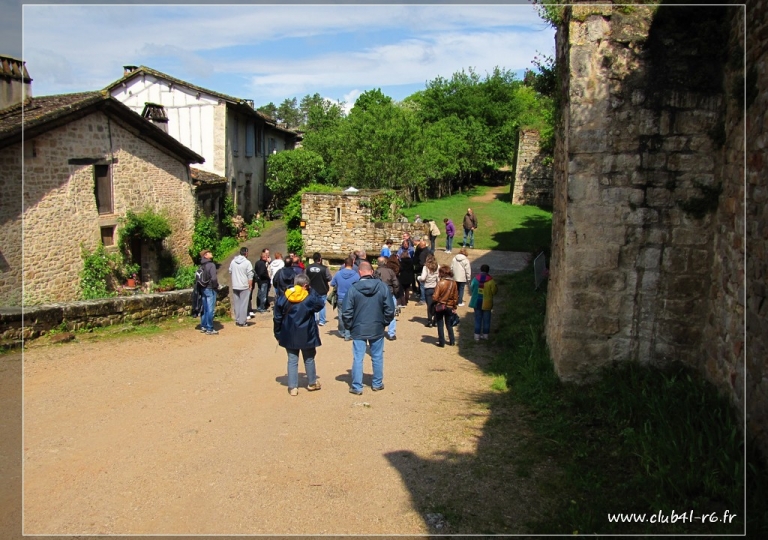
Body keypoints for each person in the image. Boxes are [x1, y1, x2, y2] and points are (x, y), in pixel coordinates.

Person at [341, 261, 394, 395]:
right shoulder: (382, 287)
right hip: (377, 327)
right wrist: (384, 323)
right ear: (371, 272)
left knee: (358, 357)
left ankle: (357, 386)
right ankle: (377, 383)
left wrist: (349, 326)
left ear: (359, 273)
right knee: (377, 356)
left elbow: (346, 311)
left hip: (359, 327)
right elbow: (390, 309)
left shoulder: (353, 289)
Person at [273, 273, 325, 396]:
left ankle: (293, 387)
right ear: (306, 285)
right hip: (307, 332)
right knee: (309, 358)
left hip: (289, 332)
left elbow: (277, 317)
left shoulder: (284, 296)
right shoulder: (309, 297)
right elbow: (320, 304)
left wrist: (277, 332)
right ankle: (312, 382)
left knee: (292, 359)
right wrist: (311, 291)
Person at [330, 257, 360, 340]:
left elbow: (332, 284)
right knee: (351, 315)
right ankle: (348, 332)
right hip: (352, 298)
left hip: (340, 297)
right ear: (352, 264)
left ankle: (342, 331)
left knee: (341, 315)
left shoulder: (338, 274)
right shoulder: (356, 275)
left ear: (344, 264)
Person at [469, 264, 499, 341]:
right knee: (486, 319)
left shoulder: (475, 279)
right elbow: (494, 291)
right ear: (488, 270)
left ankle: (476, 336)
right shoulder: (491, 281)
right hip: (487, 302)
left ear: (480, 269)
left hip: (476, 302)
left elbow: (471, 288)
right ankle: (485, 335)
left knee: (477, 319)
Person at [432, 265, 459, 347]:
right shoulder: (453, 283)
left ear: (442, 273)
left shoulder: (440, 283)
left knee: (440, 323)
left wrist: (435, 301)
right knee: (449, 324)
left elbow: (435, 297)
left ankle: (441, 342)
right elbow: (455, 297)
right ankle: (452, 340)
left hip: (440, 305)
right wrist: (454, 307)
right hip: (450, 306)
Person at [375, 256, 400, 341]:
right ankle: (391, 333)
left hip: (378, 295)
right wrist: (395, 292)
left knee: (379, 314)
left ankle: (379, 331)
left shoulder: (375, 272)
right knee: (391, 314)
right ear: (385, 262)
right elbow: (396, 284)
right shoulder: (390, 272)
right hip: (390, 294)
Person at [228, 246, 254, 327]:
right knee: (244, 304)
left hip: (235, 285)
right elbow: (250, 275)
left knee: (237, 303)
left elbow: (230, 271)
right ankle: (242, 321)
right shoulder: (247, 262)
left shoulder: (233, 262)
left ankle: (238, 319)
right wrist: (250, 285)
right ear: (246, 253)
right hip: (244, 285)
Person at [197, 249, 219, 335]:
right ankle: (210, 328)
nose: (211, 253)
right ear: (205, 255)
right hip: (210, 288)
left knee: (205, 308)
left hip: (203, 288)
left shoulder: (201, 265)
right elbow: (213, 278)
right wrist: (215, 287)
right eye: (209, 253)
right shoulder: (211, 265)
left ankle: (203, 326)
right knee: (210, 309)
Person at [307, 252, 333, 326]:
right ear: (320, 259)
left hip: (311, 289)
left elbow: (305, 277)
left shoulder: (308, 267)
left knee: (313, 304)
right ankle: (322, 320)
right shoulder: (324, 268)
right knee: (322, 305)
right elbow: (329, 278)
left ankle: (314, 320)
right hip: (322, 289)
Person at [418, 254, 439, 327]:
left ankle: (430, 321)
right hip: (436, 288)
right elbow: (438, 279)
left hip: (428, 288)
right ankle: (436, 321)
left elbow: (423, 278)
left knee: (429, 305)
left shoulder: (425, 267)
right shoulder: (438, 267)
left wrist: (419, 278)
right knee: (436, 305)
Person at [253, 248, 271, 312]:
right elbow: (262, 273)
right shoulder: (262, 264)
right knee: (263, 295)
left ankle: (259, 306)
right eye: (266, 256)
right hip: (264, 281)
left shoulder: (257, 263)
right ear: (264, 257)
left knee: (259, 294)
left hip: (259, 281)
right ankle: (262, 308)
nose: (267, 257)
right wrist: (268, 277)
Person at [414, 237, 430, 305]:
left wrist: (417, 268)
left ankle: (422, 299)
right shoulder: (428, 250)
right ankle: (425, 297)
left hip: (423, 269)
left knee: (422, 284)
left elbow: (421, 263)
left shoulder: (423, 253)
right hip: (428, 268)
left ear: (422, 246)